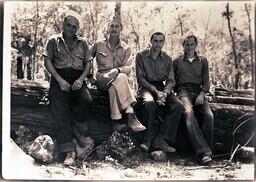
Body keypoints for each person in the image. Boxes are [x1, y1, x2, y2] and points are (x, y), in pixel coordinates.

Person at [43, 11, 93, 165]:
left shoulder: (83, 42)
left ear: (77, 28)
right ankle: (68, 151)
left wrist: (81, 79)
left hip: (77, 78)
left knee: (86, 100)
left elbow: (88, 63)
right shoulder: (53, 41)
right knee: (59, 107)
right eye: (68, 25)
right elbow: (47, 62)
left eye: (74, 26)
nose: (71, 29)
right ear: (63, 25)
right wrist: (59, 80)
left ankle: (80, 137)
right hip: (59, 78)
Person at [90, 14, 146, 132]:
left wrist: (118, 70)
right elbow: (86, 59)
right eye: (112, 26)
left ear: (121, 29)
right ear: (108, 28)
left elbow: (129, 67)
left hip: (117, 80)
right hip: (102, 78)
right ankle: (130, 113)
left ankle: (116, 122)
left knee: (116, 84)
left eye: (117, 26)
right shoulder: (98, 44)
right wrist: (90, 77)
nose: (114, 29)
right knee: (120, 78)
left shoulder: (126, 48)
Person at [135, 32, 184, 153]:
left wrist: (165, 93)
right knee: (149, 103)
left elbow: (171, 80)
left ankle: (162, 139)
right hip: (146, 87)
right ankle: (147, 140)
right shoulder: (141, 56)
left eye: (160, 41)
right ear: (151, 41)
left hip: (162, 88)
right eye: (155, 41)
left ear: (164, 42)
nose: (158, 44)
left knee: (178, 105)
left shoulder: (167, 59)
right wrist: (155, 91)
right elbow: (140, 79)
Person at [173, 35, 214, 164]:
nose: (189, 47)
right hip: (183, 91)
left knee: (209, 115)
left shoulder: (203, 61)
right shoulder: (177, 61)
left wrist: (202, 94)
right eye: (187, 44)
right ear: (183, 45)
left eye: (192, 44)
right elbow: (172, 82)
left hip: (198, 91)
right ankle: (204, 152)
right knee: (189, 113)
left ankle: (209, 150)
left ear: (196, 45)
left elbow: (206, 82)